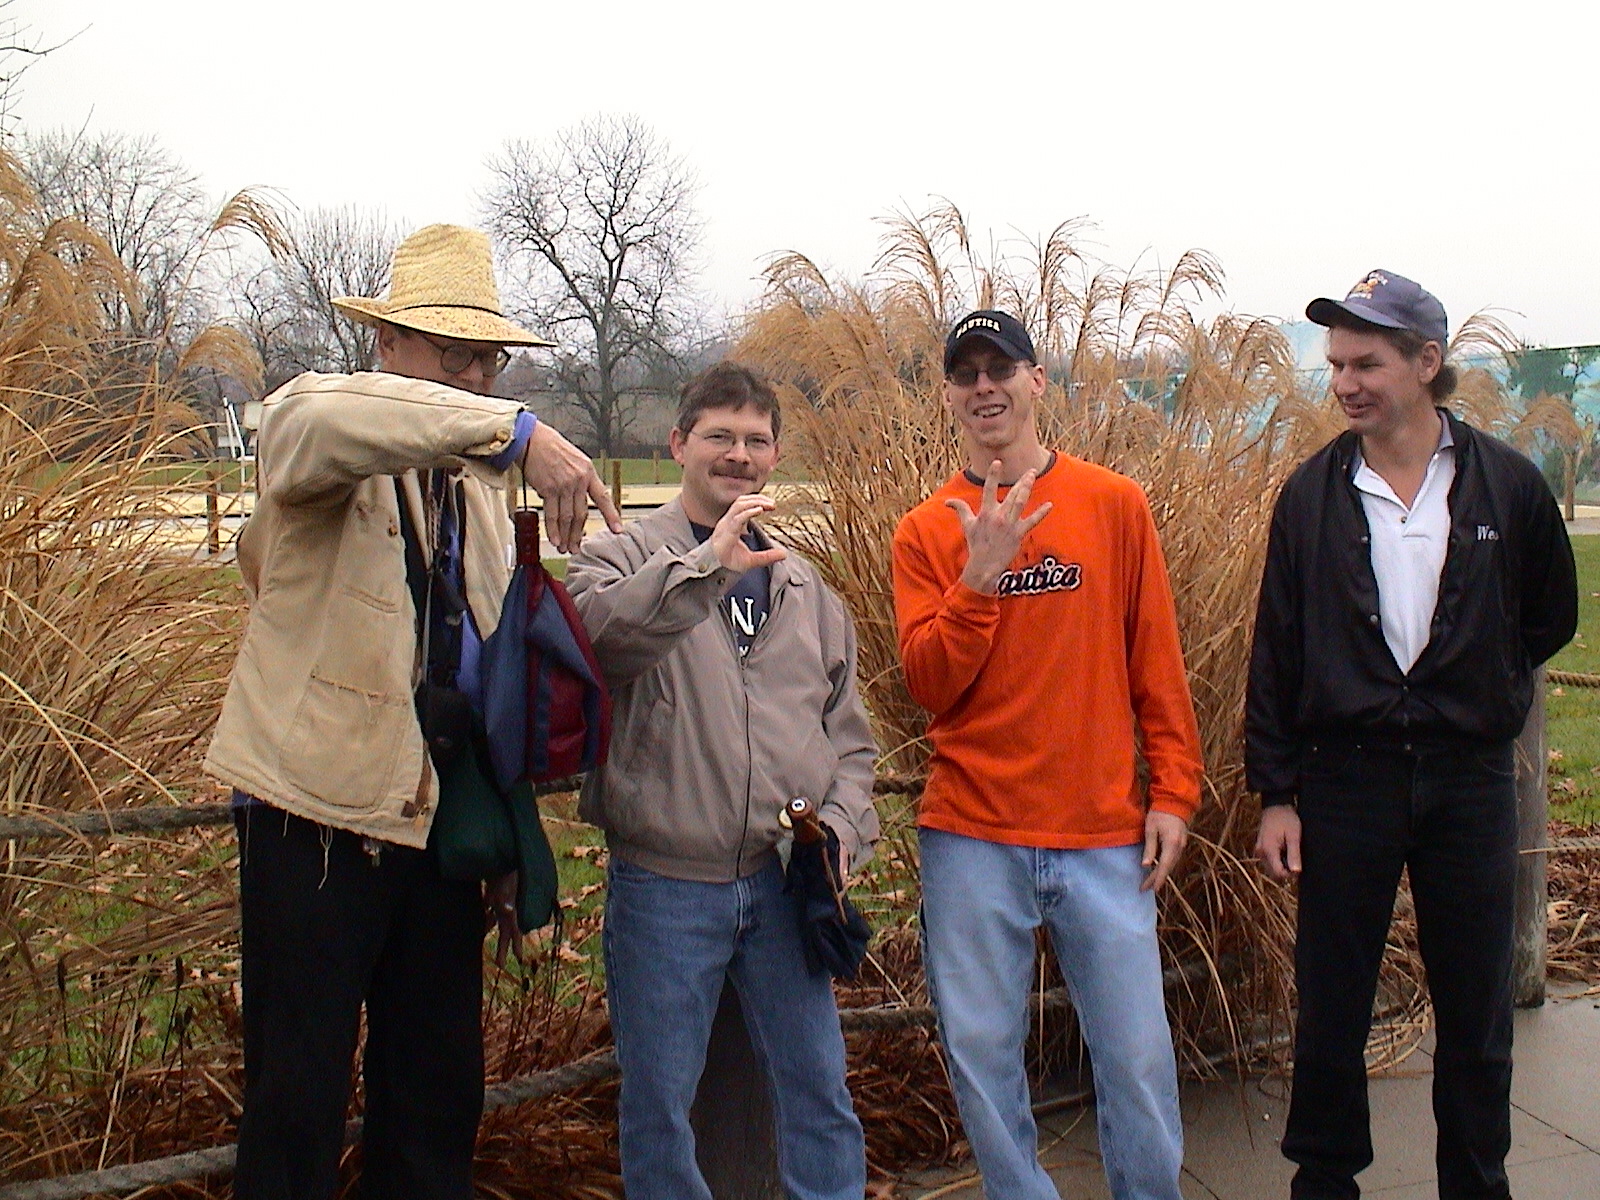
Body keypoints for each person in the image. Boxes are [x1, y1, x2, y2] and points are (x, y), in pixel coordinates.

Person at [203, 223, 621, 1200]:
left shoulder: (477, 495)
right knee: (296, 1105)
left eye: (488, 361)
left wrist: (506, 838)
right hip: (311, 817)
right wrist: (520, 431)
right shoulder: (321, 428)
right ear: (386, 345)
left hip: (434, 831)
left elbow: (480, 676)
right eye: (450, 352)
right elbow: (303, 426)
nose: (474, 377)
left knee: (435, 1102)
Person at [1247, 269, 1577, 1200]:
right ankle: (1325, 1180)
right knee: (1333, 1005)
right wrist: (1277, 793)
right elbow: (1278, 645)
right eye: (1337, 364)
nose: (1347, 381)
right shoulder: (1311, 495)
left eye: (1368, 362)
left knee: (1476, 1010)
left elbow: (1550, 614)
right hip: (1343, 783)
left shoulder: (1507, 485)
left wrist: (1480, 686)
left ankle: (1476, 1181)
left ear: (1427, 364)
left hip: (1469, 784)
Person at [892, 310, 1203, 1200]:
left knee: (1137, 1056)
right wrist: (979, 576)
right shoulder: (925, 531)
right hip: (971, 834)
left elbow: (1156, 661)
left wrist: (1174, 790)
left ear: (1037, 381)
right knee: (983, 1055)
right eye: (966, 373)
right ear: (949, 396)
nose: (984, 386)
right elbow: (930, 685)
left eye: (1002, 368)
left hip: (1102, 834)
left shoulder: (1114, 505)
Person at [565, 361, 880, 1200]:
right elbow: (596, 644)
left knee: (818, 1095)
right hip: (666, 887)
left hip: (783, 886)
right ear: (678, 444)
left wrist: (840, 835)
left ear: (774, 456)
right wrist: (705, 564)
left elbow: (851, 741)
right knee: (662, 1111)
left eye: (756, 440)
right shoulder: (617, 558)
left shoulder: (807, 590)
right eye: (719, 437)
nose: (738, 455)